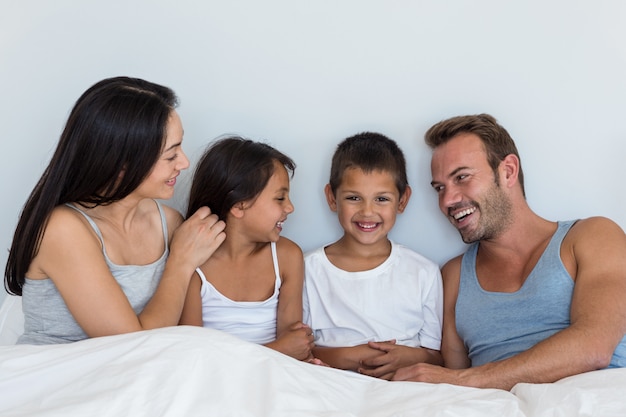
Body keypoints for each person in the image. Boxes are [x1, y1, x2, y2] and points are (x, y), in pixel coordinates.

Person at [392, 113, 626, 390]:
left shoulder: (592, 237)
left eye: (462, 177)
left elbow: (594, 348)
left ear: (508, 171)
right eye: (439, 188)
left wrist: (464, 379)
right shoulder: (453, 276)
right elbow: (453, 389)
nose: (448, 200)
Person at [4, 76, 226, 345]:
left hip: (139, 374)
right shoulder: (63, 229)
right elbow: (128, 344)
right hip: (63, 375)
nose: (185, 162)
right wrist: (180, 263)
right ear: (121, 164)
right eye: (171, 155)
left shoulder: (169, 223)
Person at [303, 132, 444, 380]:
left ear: (402, 201)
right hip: (331, 386)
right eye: (353, 198)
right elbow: (299, 351)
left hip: (403, 388)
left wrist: (406, 357)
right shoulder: (308, 270)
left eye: (381, 199)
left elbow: (436, 357)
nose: (367, 212)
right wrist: (355, 356)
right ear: (331, 197)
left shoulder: (424, 272)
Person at [179, 136, 315, 362]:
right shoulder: (193, 263)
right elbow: (194, 355)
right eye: (280, 198)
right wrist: (277, 350)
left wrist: (295, 351)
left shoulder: (287, 257)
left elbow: (296, 346)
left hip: (276, 376)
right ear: (239, 205)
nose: (290, 207)